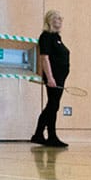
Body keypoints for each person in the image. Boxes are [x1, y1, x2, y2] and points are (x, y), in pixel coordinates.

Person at [31, 9, 70, 148]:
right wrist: (50, 78)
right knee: (53, 106)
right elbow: (44, 58)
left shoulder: (57, 37)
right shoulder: (46, 36)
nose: (59, 21)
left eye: (60, 19)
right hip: (53, 78)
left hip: (60, 77)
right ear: (49, 20)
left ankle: (39, 134)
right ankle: (51, 136)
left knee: (52, 105)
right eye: (55, 19)